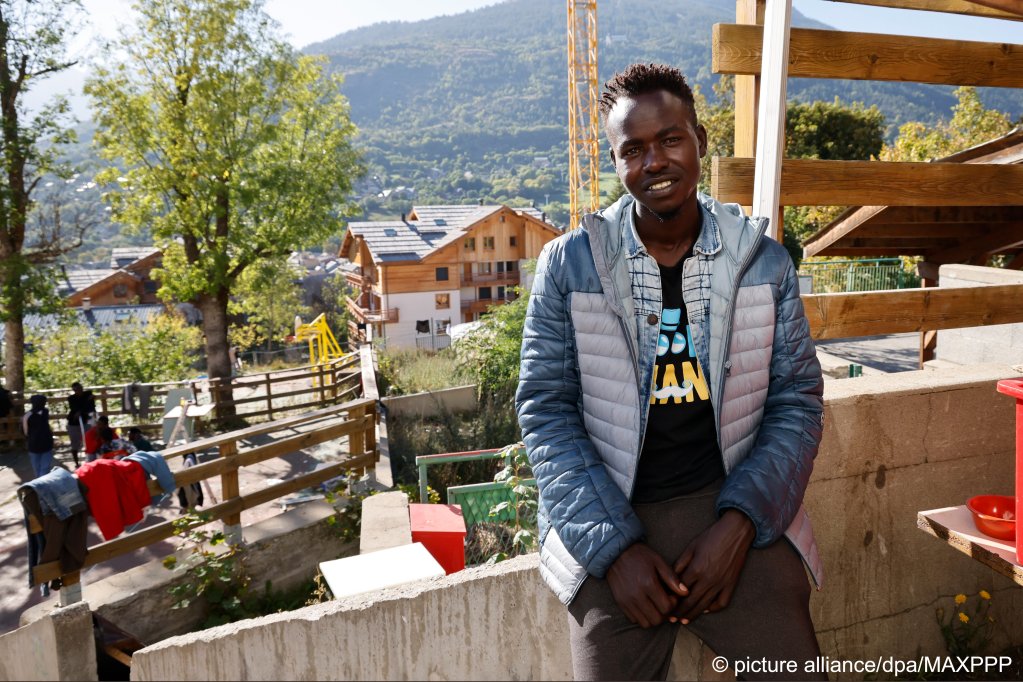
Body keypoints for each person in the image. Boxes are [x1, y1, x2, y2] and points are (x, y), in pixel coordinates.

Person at [515, 63, 825, 681]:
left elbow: (799, 401)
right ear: (616, 161)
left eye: (670, 139)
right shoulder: (568, 265)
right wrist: (614, 550)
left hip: (733, 504)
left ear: (700, 141)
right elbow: (545, 410)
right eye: (633, 149)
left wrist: (740, 526)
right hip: (614, 510)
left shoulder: (762, 261)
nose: (654, 161)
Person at [22, 395, 55, 478]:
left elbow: (25, 433)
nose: (44, 404)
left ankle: (40, 485)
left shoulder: (28, 415)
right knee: (43, 468)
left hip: (38, 444)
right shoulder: (43, 412)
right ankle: (41, 484)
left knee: (40, 468)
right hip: (40, 444)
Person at [66, 382, 96, 468]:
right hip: (74, 423)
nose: (79, 391)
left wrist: (81, 410)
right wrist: (86, 402)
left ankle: (91, 461)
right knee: (75, 443)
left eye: (80, 388)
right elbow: (74, 408)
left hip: (87, 421)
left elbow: (91, 407)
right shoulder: (71, 398)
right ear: (73, 390)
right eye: (76, 390)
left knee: (90, 440)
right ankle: (76, 463)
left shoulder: (88, 394)